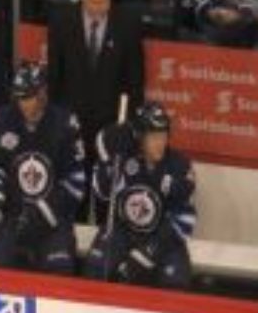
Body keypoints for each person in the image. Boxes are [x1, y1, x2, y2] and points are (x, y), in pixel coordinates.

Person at [0, 62, 87, 274]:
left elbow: (76, 182)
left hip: (53, 220)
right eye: (20, 98)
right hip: (11, 215)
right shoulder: (1, 119)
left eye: (28, 97)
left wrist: (42, 212)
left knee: (58, 268)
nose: (24, 104)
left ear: (43, 93)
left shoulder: (66, 124)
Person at [84, 101, 196, 288]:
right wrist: (108, 159)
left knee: (175, 281)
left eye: (163, 136)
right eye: (154, 137)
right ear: (140, 137)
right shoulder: (123, 157)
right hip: (121, 232)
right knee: (96, 269)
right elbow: (102, 193)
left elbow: (185, 221)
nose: (160, 143)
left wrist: (147, 253)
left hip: (163, 239)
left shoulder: (179, 166)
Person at [47, 0, 145, 164]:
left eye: (105, 0)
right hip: (71, 124)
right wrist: (57, 120)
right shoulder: (61, 22)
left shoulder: (128, 24)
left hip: (110, 126)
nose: (101, 7)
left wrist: (128, 126)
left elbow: (135, 80)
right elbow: (54, 77)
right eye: (95, 1)